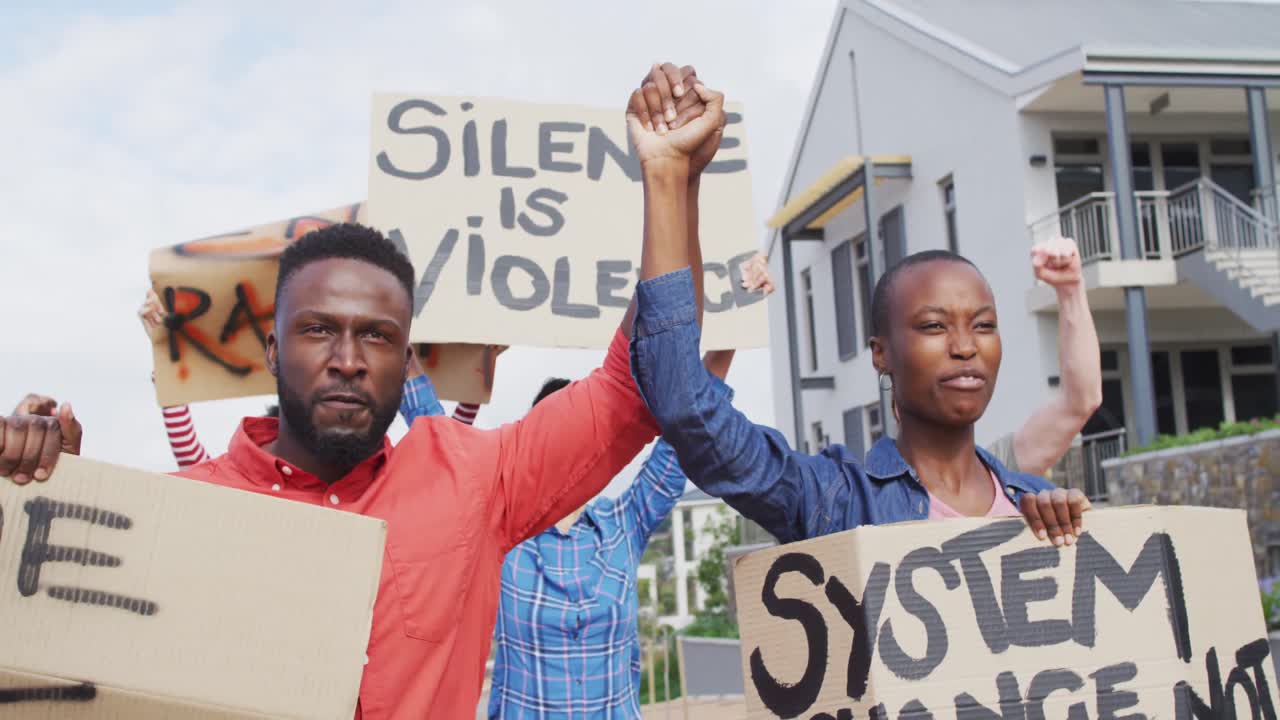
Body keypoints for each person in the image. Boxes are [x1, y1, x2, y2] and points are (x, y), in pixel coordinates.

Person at [0, 61, 726, 718]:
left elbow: (639, 384)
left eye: (376, 335)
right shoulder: (185, 514)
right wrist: (36, 498)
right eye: (319, 330)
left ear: (404, 356)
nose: (348, 358)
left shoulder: (474, 480)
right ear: (272, 349)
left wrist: (669, 181)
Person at [623, 73, 1090, 548]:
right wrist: (670, 178)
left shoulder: (1035, 504)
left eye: (984, 326)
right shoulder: (832, 499)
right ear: (881, 354)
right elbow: (685, 405)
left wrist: (1075, 533)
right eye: (933, 326)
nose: (966, 346)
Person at [487, 255, 773, 719]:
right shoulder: (503, 533)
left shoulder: (623, 524)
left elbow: (686, 435)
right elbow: (434, 447)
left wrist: (734, 321)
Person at [136, 289, 494, 468]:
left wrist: (473, 381)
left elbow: (445, 460)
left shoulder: (373, 495)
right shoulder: (249, 493)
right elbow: (196, 467)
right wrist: (168, 367)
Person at [982, 236, 1101, 477]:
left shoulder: (989, 470)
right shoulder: (883, 491)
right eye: (932, 327)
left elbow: (1079, 402)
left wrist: (1070, 291)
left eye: (981, 326)